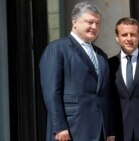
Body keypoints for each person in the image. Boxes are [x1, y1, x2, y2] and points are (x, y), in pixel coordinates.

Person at [39, 1, 115, 141]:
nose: (94, 27)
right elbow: (52, 93)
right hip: (71, 129)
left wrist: (109, 130)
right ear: (74, 21)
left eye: (98, 24)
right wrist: (60, 126)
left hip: (99, 131)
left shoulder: (101, 55)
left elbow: (105, 94)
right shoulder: (57, 49)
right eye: (90, 22)